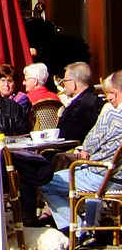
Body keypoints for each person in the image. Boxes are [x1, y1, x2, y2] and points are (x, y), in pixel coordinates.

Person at [39, 70, 122, 237]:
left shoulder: (112, 115)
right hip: (116, 177)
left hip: (102, 176)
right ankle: (89, 227)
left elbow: (88, 146)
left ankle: (78, 230)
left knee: (44, 181)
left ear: (115, 91)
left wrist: (85, 152)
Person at [59, 62, 105, 144]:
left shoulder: (78, 107)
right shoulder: (97, 100)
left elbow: (65, 136)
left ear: (73, 84)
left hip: (71, 151)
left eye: (65, 81)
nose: (64, 85)